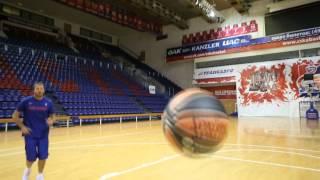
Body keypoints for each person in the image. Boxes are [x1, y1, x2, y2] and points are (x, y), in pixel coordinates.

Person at [12, 82, 55, 180]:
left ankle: (40, 174)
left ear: (44, 90)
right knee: (30, 157)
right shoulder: (26, 101)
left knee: (43, 156)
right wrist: (22, 126)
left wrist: (52, 121)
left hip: (43, 135)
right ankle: (27, 170)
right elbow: (14, 116)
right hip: (30, 134)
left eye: (41, 88)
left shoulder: (48, 103)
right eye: (37, 88)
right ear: (34, 90)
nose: (39, 90)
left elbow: (53, 116)